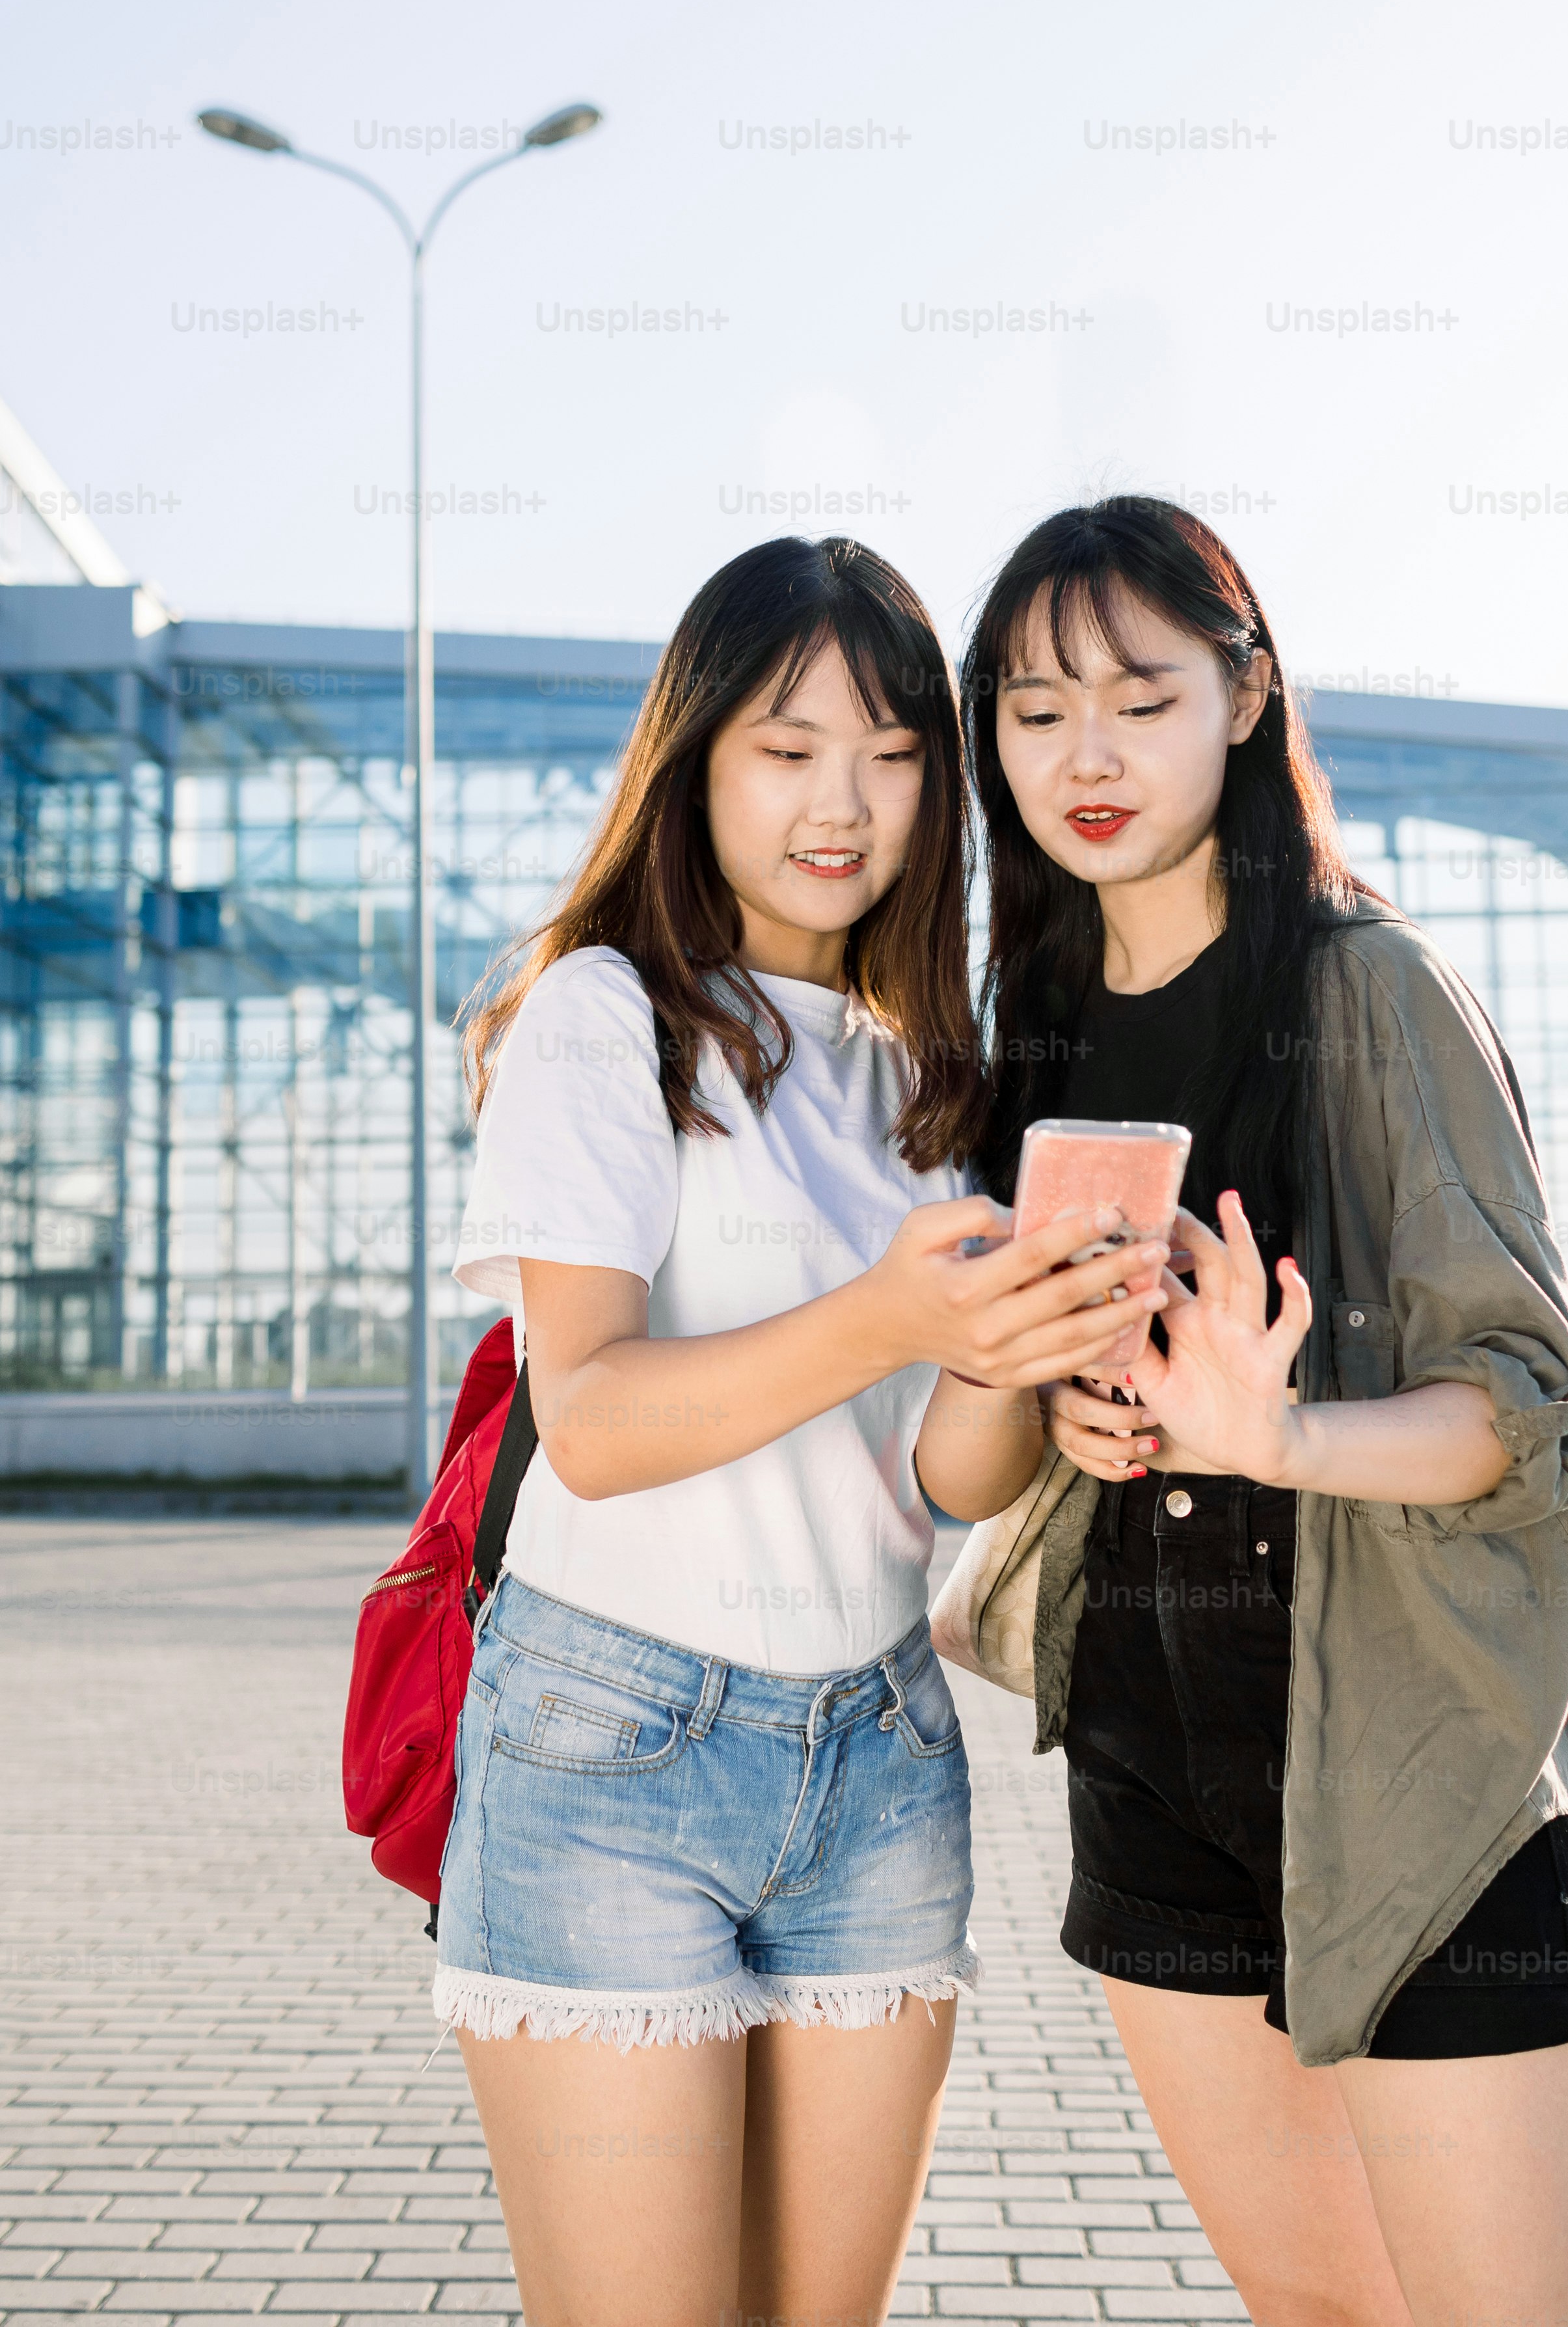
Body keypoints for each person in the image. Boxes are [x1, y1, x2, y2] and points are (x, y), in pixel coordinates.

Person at [926, 497, 1568, 2327]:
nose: (1084, 755)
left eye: (1138, 698)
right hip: (1155, 1771)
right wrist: (1071, 1419)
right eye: (1030, 709)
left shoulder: (1370, 992)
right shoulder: (1037, 1032)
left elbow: (1531, 1418)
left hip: (1419, 1778)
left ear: (1243, 701)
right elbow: (997, 1442)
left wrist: (1282, 1437)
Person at [442, 534, 1167, 2327]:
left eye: (893, 754)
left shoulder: (919, 1074)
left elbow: (939, 1481)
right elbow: (592, 1420)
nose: (841, 804)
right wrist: (890, 1313)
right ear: (691, 763)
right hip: (614, 1747)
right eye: (784, 749)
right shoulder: (601, 1019)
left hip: (878, 1758)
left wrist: (1025, 1361)